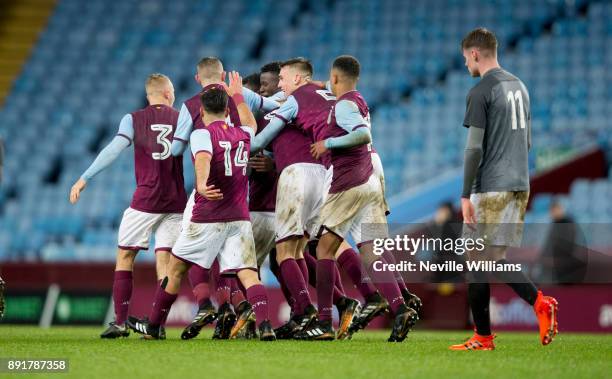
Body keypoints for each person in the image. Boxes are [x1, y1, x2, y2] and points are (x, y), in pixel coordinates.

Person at [126, 73, 275, 341]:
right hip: (239, 217)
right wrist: (239, 96)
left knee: (176, 268)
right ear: (228, 110)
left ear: (203, 111)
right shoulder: (243, 133)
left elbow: (204, 158)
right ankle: (265, 326)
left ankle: (155, 327)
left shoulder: (201, 134)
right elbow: (251, 123)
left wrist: (203, 183)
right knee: (249, 273)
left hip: (208, 216)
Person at [294, 55, 418, 341]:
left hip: (348, 181)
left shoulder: (343, 105)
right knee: (371, 249)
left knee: (323, 249)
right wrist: (309, 83)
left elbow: (362, 134)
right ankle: (400, 308)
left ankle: (324, 321)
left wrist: (329, 142)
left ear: (335, 78)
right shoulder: (358, 99)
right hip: (369, 180)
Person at [449, 28, 558, 351]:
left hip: (492, 185)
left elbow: (473, 149)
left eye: (465, 59)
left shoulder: (482, 90)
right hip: (518, 183)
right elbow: (527, 141)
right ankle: (488, 333)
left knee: (477, 259)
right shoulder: (519, 86)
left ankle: (533, 303)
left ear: (474, 54)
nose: (466, 65)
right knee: (490, 257)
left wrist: (466, 194)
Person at [69, 74, 187, 339]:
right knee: (166, 263)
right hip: (176, 202)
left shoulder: (132, 119)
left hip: (145, 200)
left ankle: (121, 322)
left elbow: (114, 148)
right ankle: (156, 326)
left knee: (125, 256)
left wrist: (84, 177)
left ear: (149, 96)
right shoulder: (182, 118)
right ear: (168, 93)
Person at [173, 57, 279, 340]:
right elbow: (270, 112)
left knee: (191, 256)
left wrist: (201, 181)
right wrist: (240, 96)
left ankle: (210, 306)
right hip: (240, 201)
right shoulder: (243, 103)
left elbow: (179, 151)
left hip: (208, 200)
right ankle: (256, 319)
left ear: (198, 79)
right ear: (223, 75)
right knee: (241, 266)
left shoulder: (191, 110)